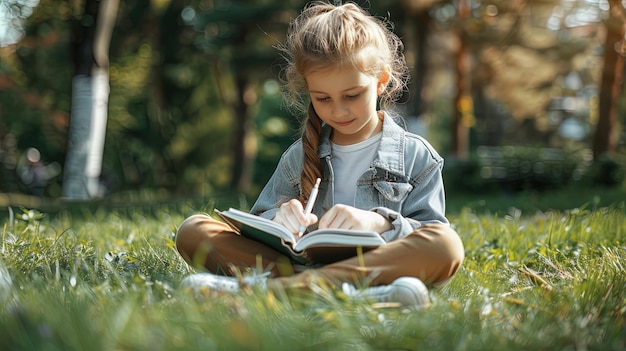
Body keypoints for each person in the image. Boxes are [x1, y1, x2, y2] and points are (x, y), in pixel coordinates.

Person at [176, 1, 464, 309]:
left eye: (352, 95)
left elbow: (429, 232)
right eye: (322, 98)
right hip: (306, 265)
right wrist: (279, 217)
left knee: (447, 245)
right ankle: (339, 292)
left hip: (377, 263)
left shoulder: (417, 156)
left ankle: (279, 289)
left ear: (381, 80)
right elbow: (258, 226)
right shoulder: (298, 155)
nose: (338, 110)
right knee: (194, 230)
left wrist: (379, 223)